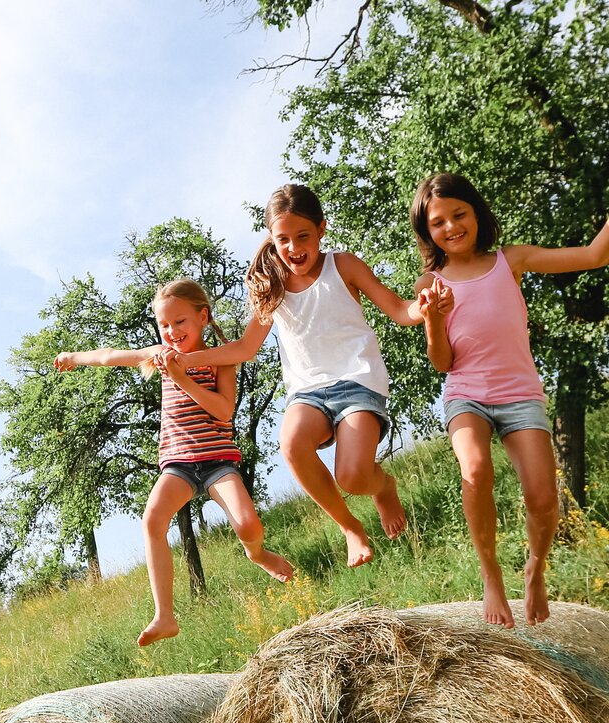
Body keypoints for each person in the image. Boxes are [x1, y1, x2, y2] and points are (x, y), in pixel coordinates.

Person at [162, 184, 445, 568]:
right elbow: (245, 348)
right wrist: (188, 361)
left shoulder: (343, 266)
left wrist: (423, 309)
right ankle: (349, 527)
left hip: (358, 381)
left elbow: (398, 309)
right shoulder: (272, 288)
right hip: (308, 392)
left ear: (322, 230)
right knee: (291, 443)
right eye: (283, 240)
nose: (294, 248)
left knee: (353, 476)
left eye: (303, 237)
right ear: (271, 240)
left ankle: (383, 486)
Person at [412, 172, 609, 628]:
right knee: (475, 469)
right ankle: (491, 573)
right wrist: (433, 321)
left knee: (543, 500)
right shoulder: (432, 281)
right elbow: (442, 363)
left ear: (476, 212)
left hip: (519, 395)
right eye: (438, 222)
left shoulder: (510, 260)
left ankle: (535, 569)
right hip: (467, 394)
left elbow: (595, 255)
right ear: (428, 232)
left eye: (459, 214)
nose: (451, 227)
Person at [54, 278, 293, 647]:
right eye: (164, 325)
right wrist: (74, 358)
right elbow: (110, 356)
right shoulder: (157, 355)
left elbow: (223, 412)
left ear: (202, 317)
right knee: (152, 520)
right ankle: (164, 614)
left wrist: (182, 379)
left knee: (247, 525)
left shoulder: (221, 358)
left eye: (179, 322)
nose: (171, 331)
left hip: (217, 462)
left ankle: (257, 554)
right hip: (178, 464)